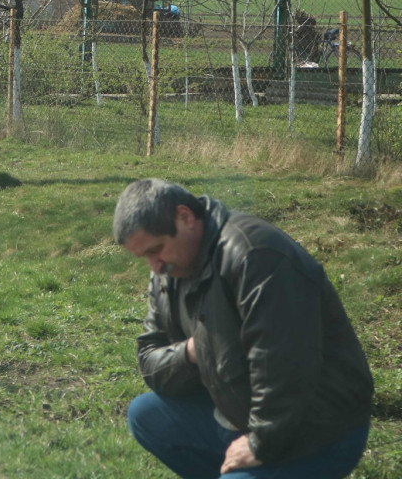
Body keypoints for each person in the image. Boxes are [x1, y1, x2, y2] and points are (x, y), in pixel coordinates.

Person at [113, 178, 374, 479]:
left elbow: (287, 368)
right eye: (144, 256)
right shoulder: (168, 271)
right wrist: (193, 351)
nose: (154, 266)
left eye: (155, 250)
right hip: (243, 413)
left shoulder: (256, 256)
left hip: (317, 430)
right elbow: (149, 357)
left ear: (185, 217)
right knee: (146, 415)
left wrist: (260, 444)